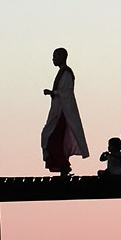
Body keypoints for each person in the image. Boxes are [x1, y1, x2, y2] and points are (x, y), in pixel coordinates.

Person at [40, 47, 89, 176]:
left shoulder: (66, 73)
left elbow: (66, 92)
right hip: (57, 111)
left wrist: (53, 92)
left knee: (52, 138)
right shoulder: (62, 72)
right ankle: (62, 166)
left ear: (62, 57)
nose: (53, 59)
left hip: (62, 112)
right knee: (49, 136)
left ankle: (64, 166)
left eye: (55, 56)